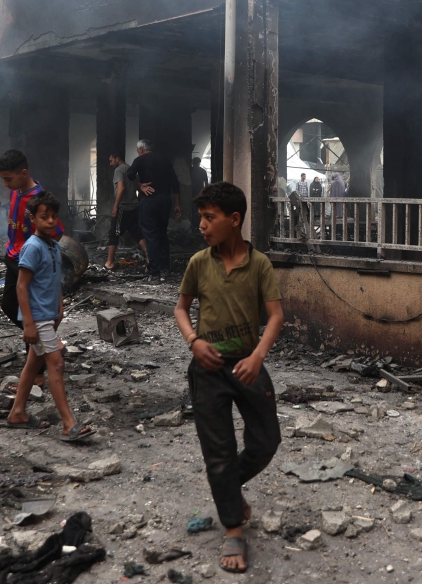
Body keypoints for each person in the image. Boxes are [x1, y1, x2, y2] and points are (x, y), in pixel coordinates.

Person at [173, 182, 284, 574]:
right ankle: (233, 527)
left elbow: (275, 317)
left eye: (209, 218)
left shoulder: (260, 265)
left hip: (247, 365)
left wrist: (257, 356)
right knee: (217, 451)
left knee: (267, 440)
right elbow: (182, 309)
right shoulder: (199, 263)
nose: (201, 225)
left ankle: (227, 489)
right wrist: (193, 341)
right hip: (208, 368)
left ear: (234, 220)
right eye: (201, 217)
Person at [4, 191, 92, 442]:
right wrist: (28, 324)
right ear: (33, 219)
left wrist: (60, 306)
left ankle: (17, 413)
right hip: (38, 317)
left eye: (54, 216)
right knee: (56, 364)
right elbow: (21, 286)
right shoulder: (32, 247)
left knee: (34, 364)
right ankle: (68, 424)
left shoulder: (53, 246)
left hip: (49, 314)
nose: (51, 221)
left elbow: (54, 281)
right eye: (45, 217)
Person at [0, 150, 63, 385]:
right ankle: (44, 340)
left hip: (28, 259)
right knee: (10, 305)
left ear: (23, 173)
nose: (6, 185)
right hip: (13, 256)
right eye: (3, 179)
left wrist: (41, 253)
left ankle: (38, 368)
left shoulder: (38, 199)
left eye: (8, 179)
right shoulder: (17, 191)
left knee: (29, 311)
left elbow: (57, 231)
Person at [127, 139, 181, 283]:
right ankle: (165, 268)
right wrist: (177, 205)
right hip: (165, 200)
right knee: (162, 233)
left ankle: (155, 274)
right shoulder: (165, 160)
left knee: (150, 235)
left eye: (138, 150)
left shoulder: (140, 160)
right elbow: (175, 183)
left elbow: (129, 173)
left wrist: (140, 186)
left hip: (150, 201)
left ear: (140, 149)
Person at [105, 151, 147, 270]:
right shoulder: (130, 169)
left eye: (111, 160)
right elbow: (139, 187)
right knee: (136, 233)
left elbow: (121, 188)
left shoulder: (119, 170)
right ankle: (150, 258)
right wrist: (137, 201)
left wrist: (115, 206)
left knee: (113, 233)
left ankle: (109, 262)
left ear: (117, 158)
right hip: (133, 207)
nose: (110, 163)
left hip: (123, 208)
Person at [190, 157, 209, 224]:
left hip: (196, 192)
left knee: (196, 209)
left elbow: (206, 183)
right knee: (196, 209)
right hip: (196, 192)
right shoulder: (201, 171)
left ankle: (196, 224)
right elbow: (206, 183)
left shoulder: (191, 170)